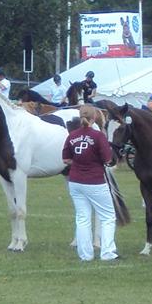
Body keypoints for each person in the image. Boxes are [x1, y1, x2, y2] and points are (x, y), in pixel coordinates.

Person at [62, 105, 118, 262]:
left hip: (75, 181)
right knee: (107, 216)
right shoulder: (98, 136)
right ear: (95, 118)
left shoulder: (72, 136)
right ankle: (108, 253)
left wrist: (79, 162)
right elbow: (108, 159)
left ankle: (85, 255)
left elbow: (66, 159)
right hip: (95, 181)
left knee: (82, 217)